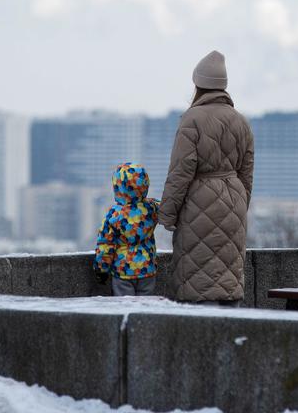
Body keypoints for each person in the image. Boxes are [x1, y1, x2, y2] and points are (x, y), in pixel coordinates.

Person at [159, 50, 254, 305]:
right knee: (228, 274)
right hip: (233, 202)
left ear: (198, 85)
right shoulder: (240, 121)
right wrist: (240, 203)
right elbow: (247, 172)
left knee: (198, 278)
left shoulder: (192, 118)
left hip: (198, 201)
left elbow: (181, 170)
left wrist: (167, 213)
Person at [93, 163, 160, 296]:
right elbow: (169, 209)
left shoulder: (114, 214)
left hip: (123, 271)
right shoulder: (152, 207)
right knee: (146, 308)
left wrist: (101, 268)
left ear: (118, 187)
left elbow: (105, 244)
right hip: (147, 269)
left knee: (124, 306)